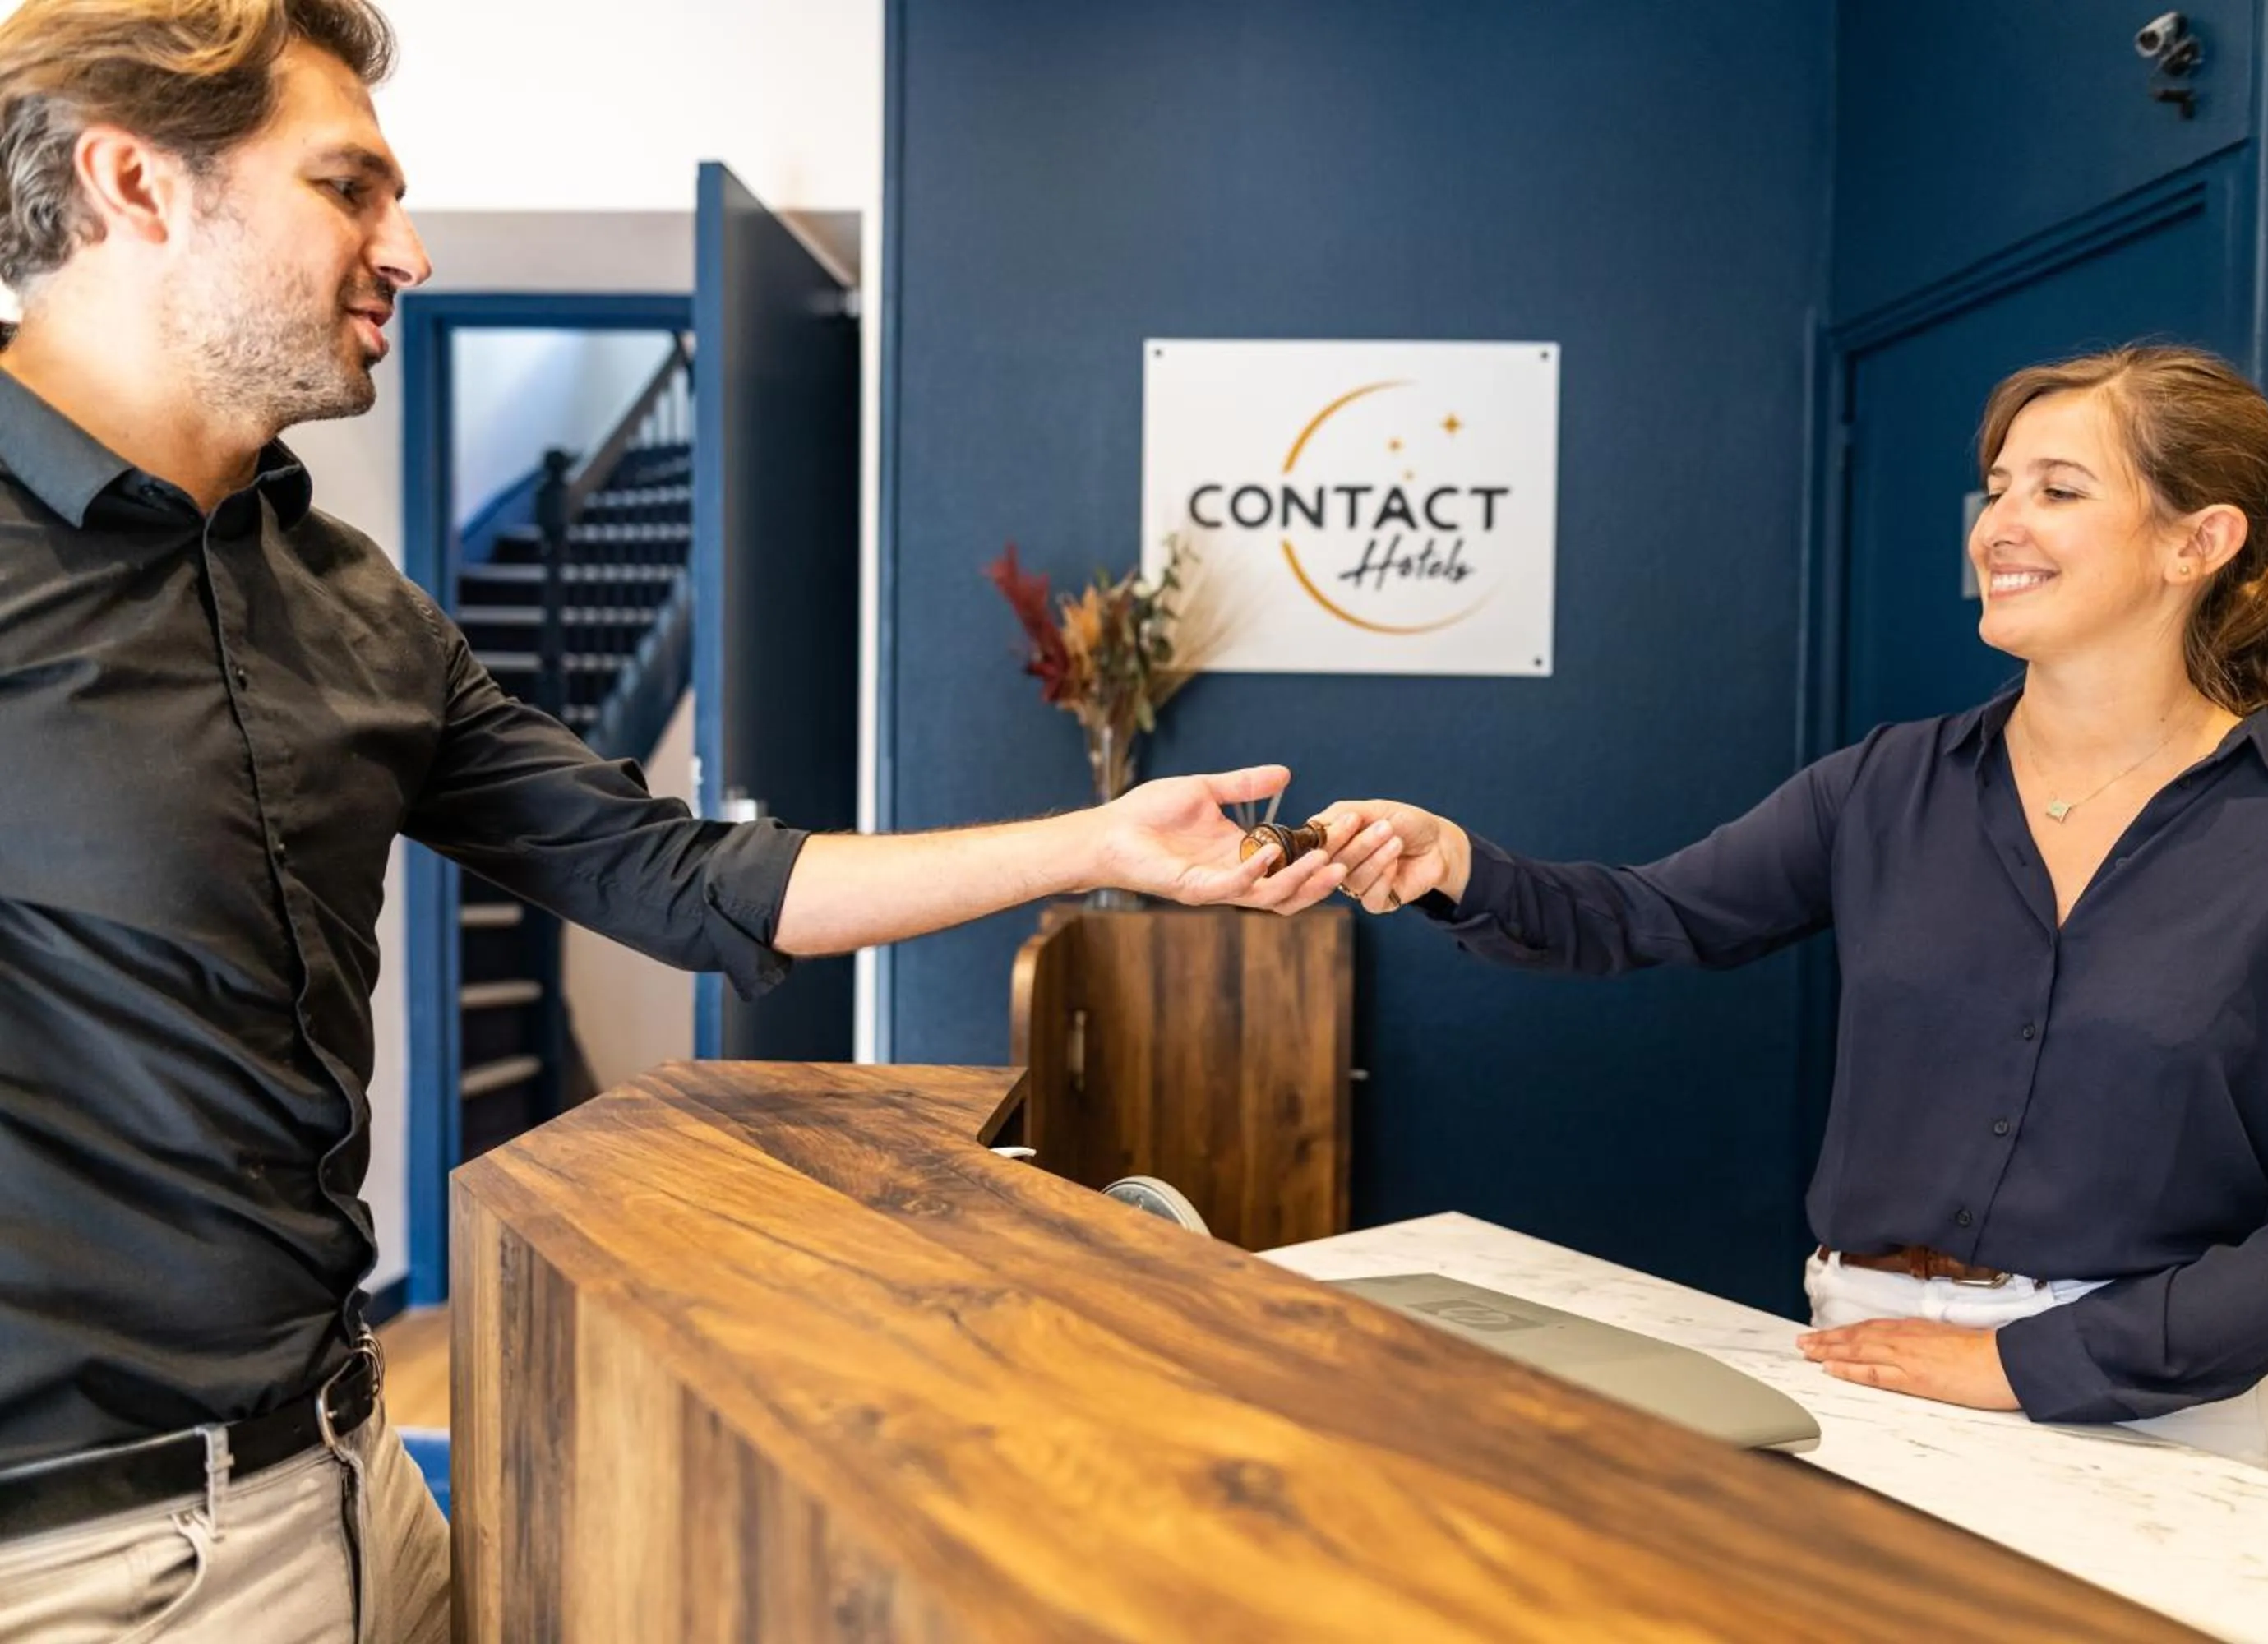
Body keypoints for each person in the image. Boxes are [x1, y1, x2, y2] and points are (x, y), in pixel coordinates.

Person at [0, 2, 1405, 1638]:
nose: (410, 249)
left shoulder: (357, 611)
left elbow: (674, 875)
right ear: (134, 184)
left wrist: (1100, 847)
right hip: (76, 1560)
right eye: (350, 189)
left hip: (353, 1481)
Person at [1304, 344, 2268, 1484]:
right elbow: (1646, 915)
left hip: (2178, 1417)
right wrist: (1456, 861)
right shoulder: (1887, 786)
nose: (2000, 523)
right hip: (1866, 1364)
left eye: (2058, 489)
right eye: (1996, 488)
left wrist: (2024, 1362)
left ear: (2198, 542)